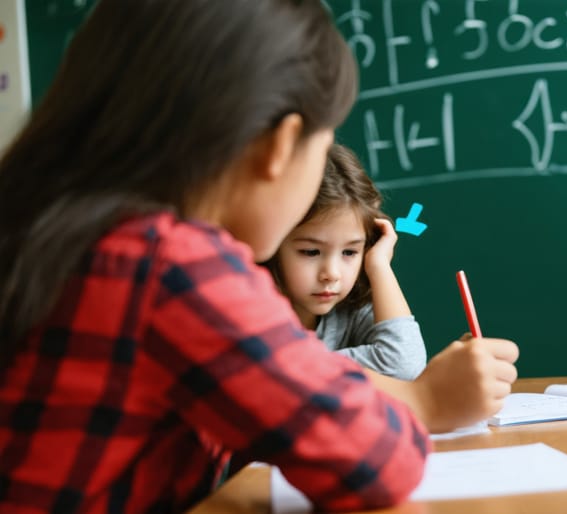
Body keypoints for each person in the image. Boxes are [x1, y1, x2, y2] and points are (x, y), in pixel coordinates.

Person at [0, 1, 517, 512]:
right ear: (280, 144)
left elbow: (291, 389)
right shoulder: (173, 263)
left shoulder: (64, 230)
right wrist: (427, 402)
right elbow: (370, 465)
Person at [261, 143, 426, 380]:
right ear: (274, 244)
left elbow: (405, 363)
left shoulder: (351, 309)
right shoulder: (256, 316)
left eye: (349, 253)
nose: (332, 274)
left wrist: (379, 266)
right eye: (310, 252)